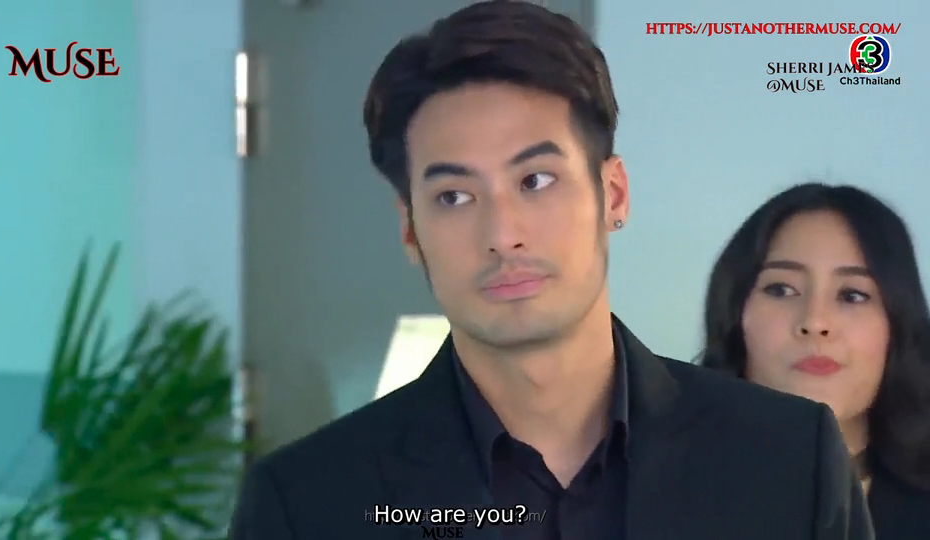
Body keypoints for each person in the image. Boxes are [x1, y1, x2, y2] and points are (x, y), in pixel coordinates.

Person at [229, 3, 872, 539]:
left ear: (613, 195)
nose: (502, 234)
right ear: (410, 231)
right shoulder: (308, 504)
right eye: (454, 196)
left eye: (536, 180)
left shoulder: (791, 460)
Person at [699, 182, 930, 538]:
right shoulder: (653, 494)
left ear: (897, 326)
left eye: (852, 295)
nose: (815, 322)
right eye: (782, 289)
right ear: (734, 314)